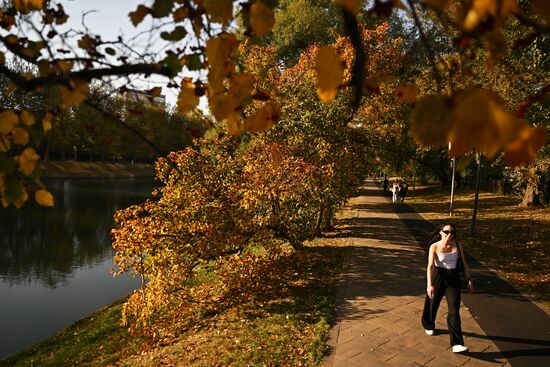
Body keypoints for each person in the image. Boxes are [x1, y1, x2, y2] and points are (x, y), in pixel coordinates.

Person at [421, 223, 474, 353]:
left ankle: (456, 343)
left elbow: (465, 264)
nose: (449, 235)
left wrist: (469, 280)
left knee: (454, 310)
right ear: (440, 232)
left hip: (453, 279)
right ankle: (428, 324)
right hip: (438, 276)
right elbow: (430, 267)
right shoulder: (434, 246)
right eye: (446, 232)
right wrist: (429, 285)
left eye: (452, 233)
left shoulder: (457, 245)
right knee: (433, 303)